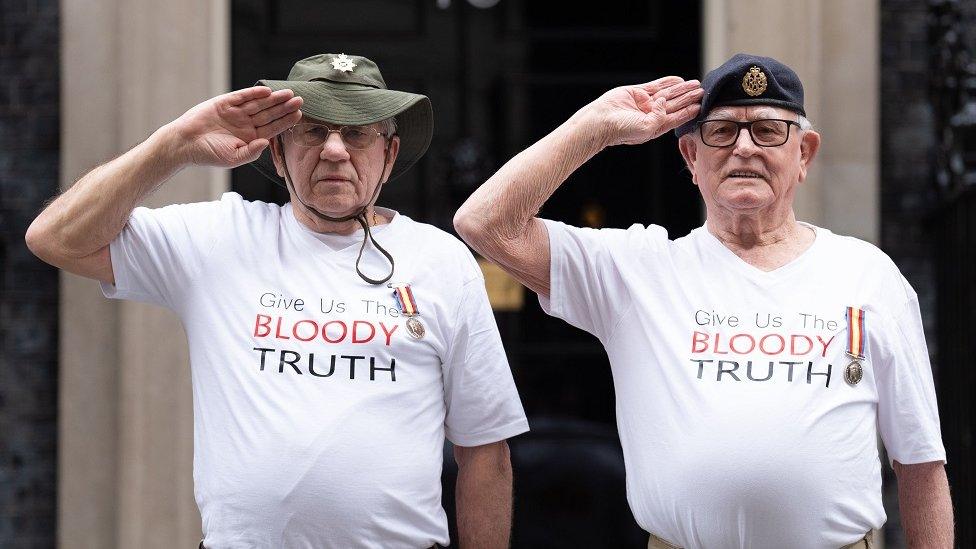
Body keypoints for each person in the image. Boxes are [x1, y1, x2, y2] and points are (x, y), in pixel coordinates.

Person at [26, 53, 528, 548]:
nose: (334, 150)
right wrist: (173, 145)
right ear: (278, 152)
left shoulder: (442, 261)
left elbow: (485, 450)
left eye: (356, 133)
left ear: (390, 155)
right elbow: (56, 239)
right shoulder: (220, 237)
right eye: (312, 131)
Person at [454, 53, 953, 548]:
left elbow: (921, 462)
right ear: (691, 158)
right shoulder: (638, 270)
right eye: (721, 131)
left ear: (804, 154)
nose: (743, 148)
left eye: (767, 130)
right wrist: (595, 128)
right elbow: (484, 223)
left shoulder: (868, 275)